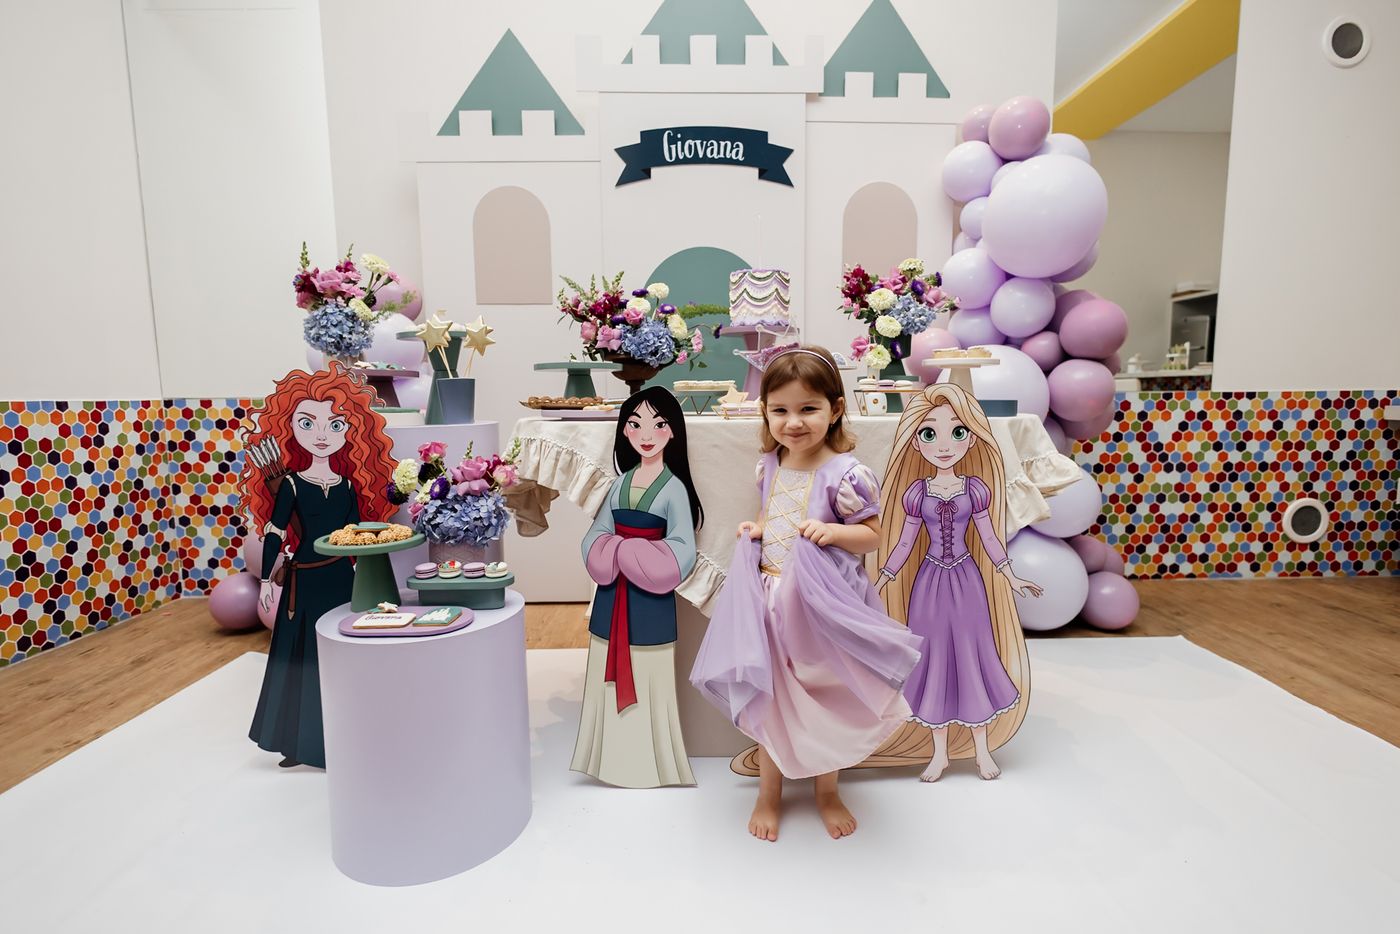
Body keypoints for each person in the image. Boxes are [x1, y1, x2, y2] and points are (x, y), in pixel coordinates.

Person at [691, 345, 921, 841]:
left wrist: (834, 532)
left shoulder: (847, 474)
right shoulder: (770, 464)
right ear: (765, 412)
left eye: (808, 408)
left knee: (823, 693)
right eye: (780, 410)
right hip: (769, 598)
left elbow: (874, 535)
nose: (793, 422)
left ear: (835, 409)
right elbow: (773, 514)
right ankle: (769, 793)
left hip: (820, 608)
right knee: (771, 694)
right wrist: (757, 528)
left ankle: (826, 790)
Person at [877, 383, 1039, 782]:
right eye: (929, 433)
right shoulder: (916, 493)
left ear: (971, 438)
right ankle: (940, 754)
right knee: (934, 661)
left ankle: (982, 751)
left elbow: (989, 538)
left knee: (971, 656)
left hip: (967, 582)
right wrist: (880, 581)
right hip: (928, 586)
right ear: (916, 443)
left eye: (958, 431)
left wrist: (1010, 575)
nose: (945, 444)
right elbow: (904, 543)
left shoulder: (975, 490)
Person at [236, 362, 395, 769]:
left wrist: (363, 572)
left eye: (334, 425)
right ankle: (299, 742)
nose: (322, 435)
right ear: (291, 428)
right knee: (301, 659)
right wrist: (268, 579)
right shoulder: (289, 484)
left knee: (342, 656)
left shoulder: (348, 486)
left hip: (341, 578)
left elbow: (356, 533)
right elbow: (275, 532)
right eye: (308, 423)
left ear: (350, 432)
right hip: (304, 582)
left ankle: (350, 735)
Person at [572, 386, 704, 788]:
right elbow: (596, 535)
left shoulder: (674, 489)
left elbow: (682, 548)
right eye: (635, 424)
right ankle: (609, 762)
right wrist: (613, 549)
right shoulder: (619, 484)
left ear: (672, 431)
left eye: (658, 425)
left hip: (649, 601)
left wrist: (629, 551)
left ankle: (649, 766)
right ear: (624, 432)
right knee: (604, 676)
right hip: (612, 594)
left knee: (649, 676)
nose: (646, 435)